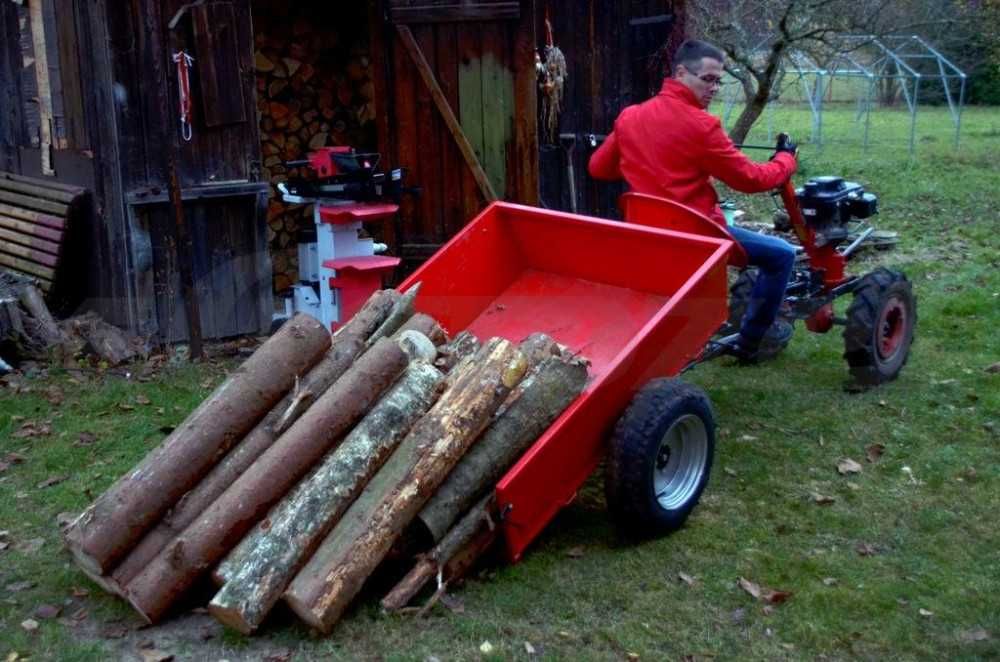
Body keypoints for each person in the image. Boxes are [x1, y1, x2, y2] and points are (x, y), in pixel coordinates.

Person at [588, 39, 798, 361]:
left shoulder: (631, 116)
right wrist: (785, 161)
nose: (714, 88)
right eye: (708, 79)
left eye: (719, 80)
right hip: (696, 237)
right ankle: (750, 342)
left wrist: (642, 160)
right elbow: (751, 180)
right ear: (681, 73)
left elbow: (598, 167)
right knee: (782, 255)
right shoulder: (702, 126)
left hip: (647, 233)